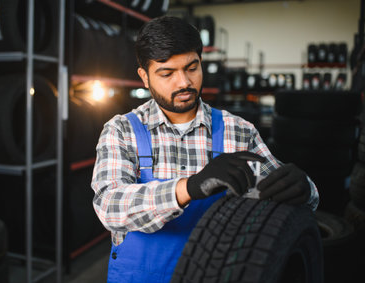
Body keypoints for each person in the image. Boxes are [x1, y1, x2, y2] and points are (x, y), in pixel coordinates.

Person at [91, 16, 319, 283]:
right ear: (144, 77)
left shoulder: (239, 131)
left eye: (192, 67)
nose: (184, 82)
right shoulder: (122, 131)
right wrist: (189, 188)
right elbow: (109, 206)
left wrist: (304, 189)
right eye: (167, 73)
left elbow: (289, 197)